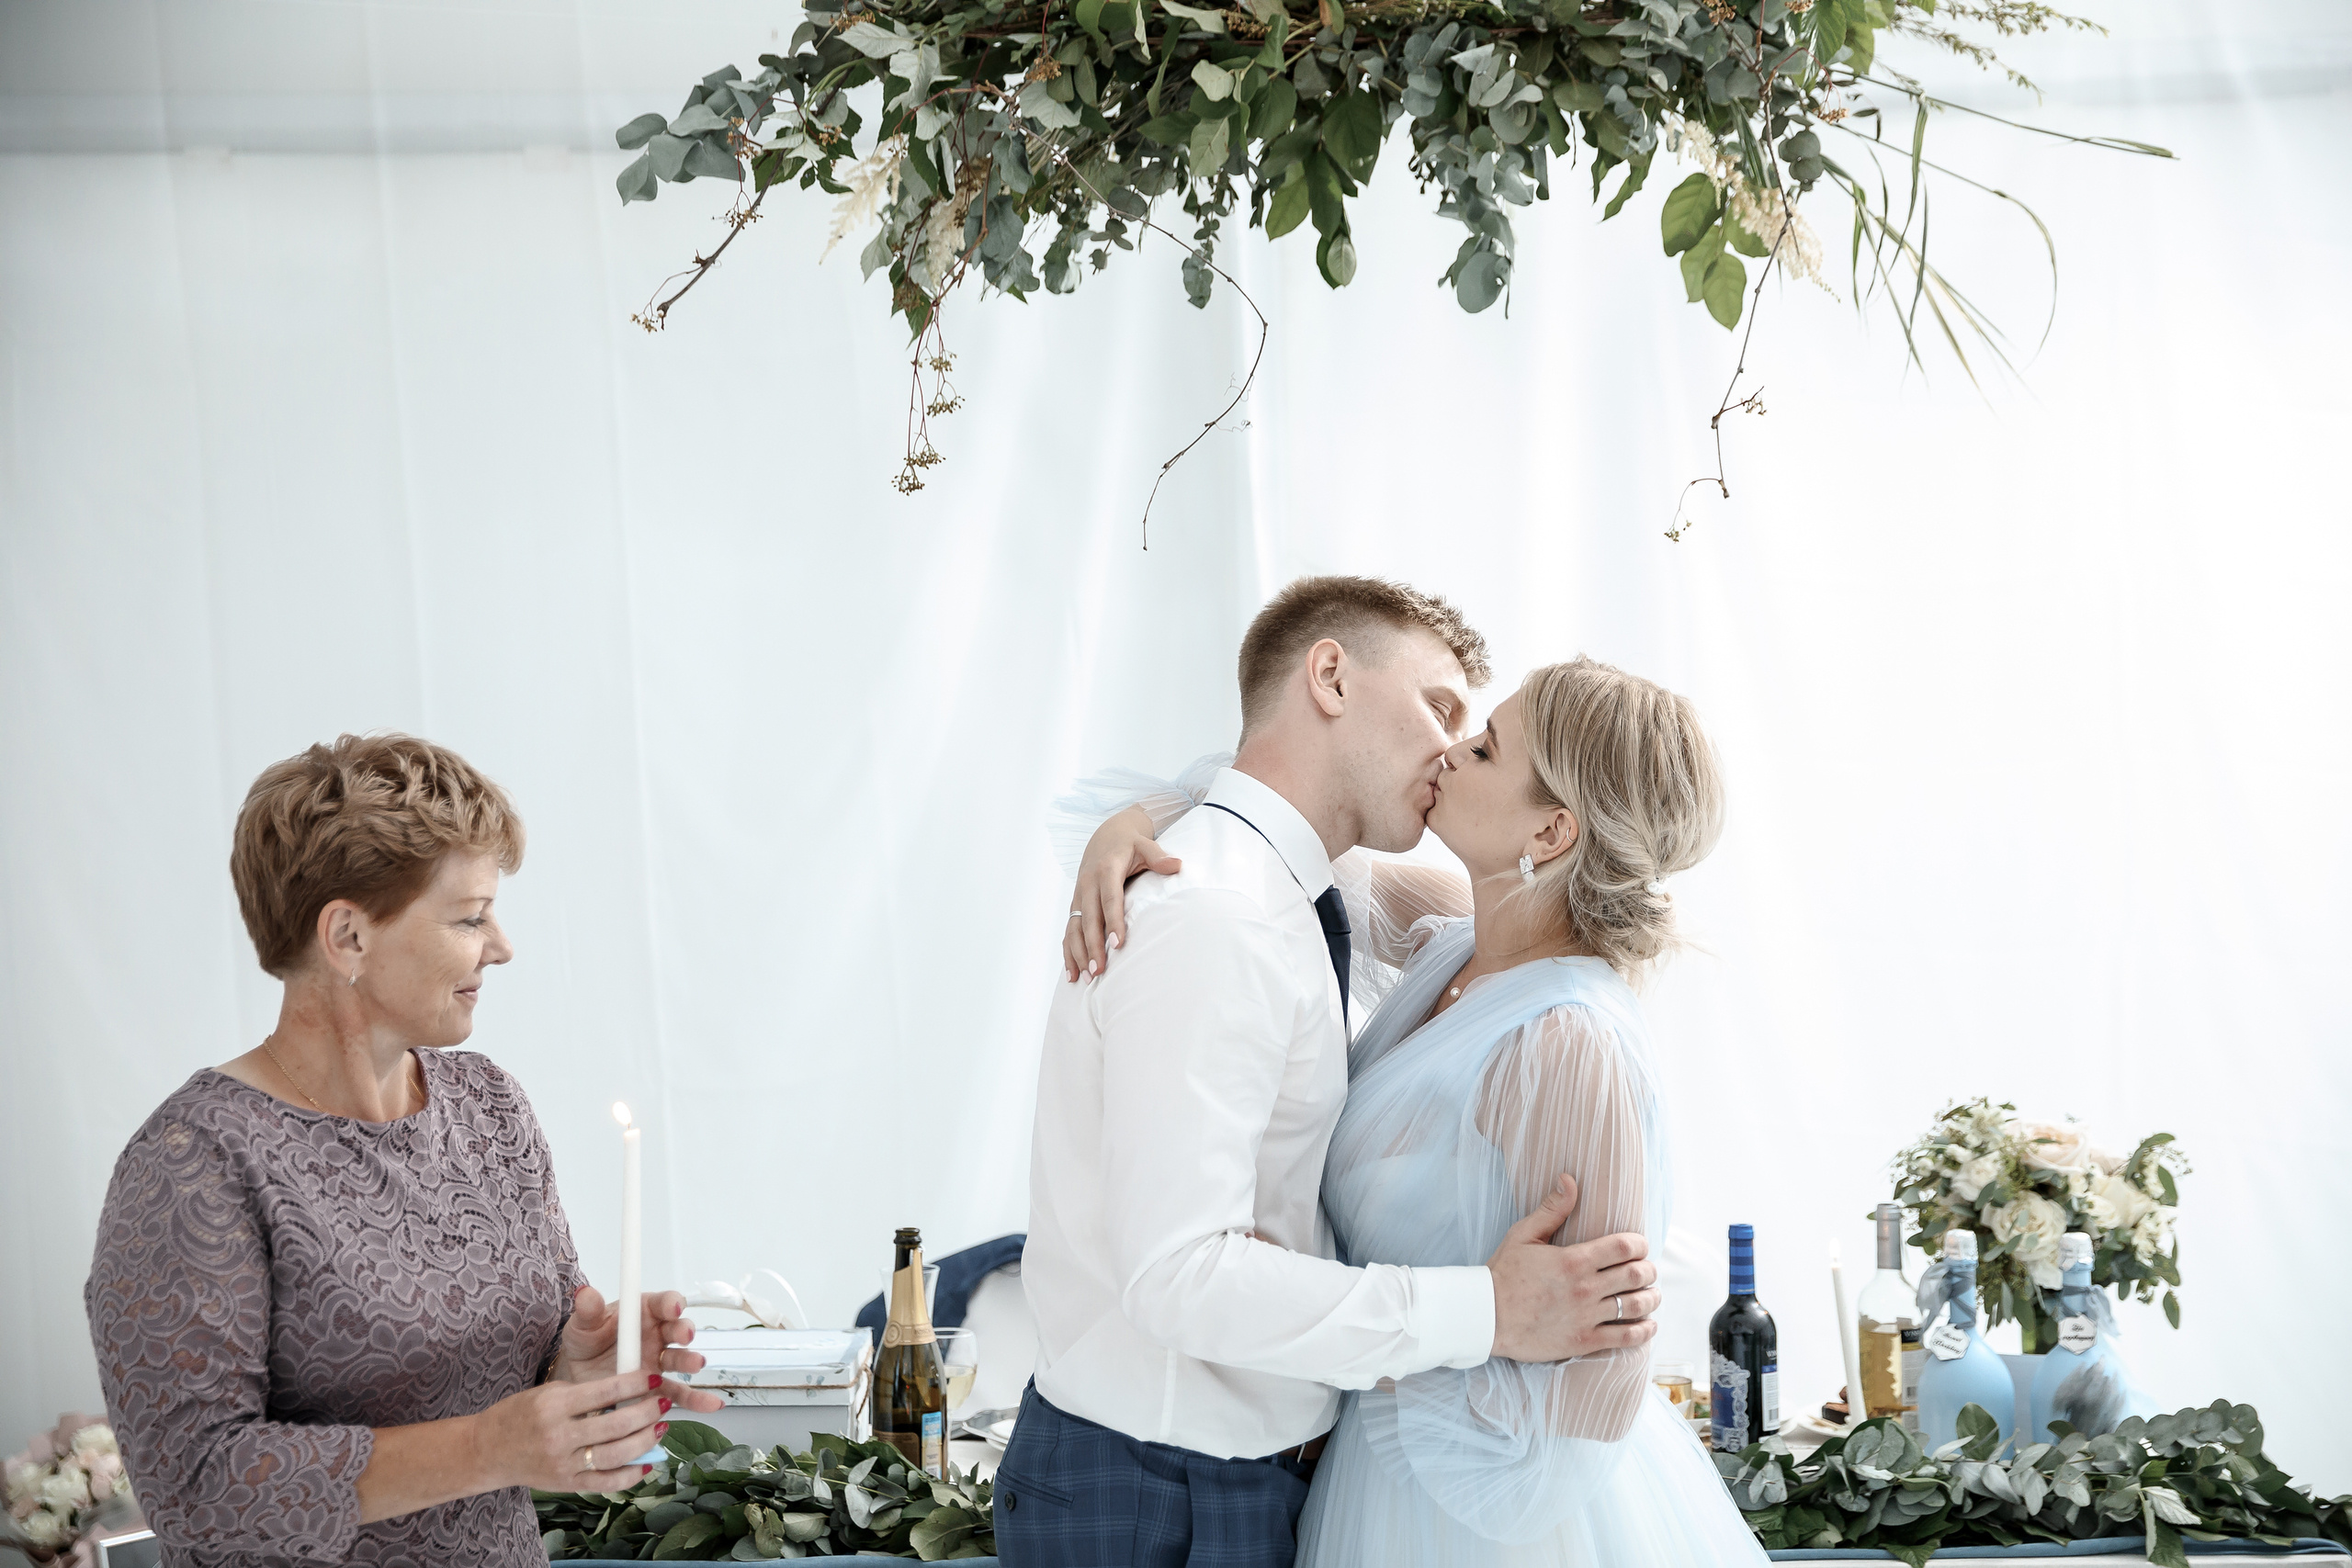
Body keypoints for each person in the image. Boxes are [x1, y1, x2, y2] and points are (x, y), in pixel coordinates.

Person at [998, 579, 1663, 1568]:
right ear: (1330, 676)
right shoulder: (1223, 912)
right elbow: (1179, 1274)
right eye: (1445, 711)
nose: (1449, 749)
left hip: (1343, 1486)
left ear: (1554, 831)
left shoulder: (1319, 898)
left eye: (1479, 742)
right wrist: (1481, 1312)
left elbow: (1601, 1378)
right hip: (1164, 1492)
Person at [83, 733, 723, 1566]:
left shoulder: (489, 1105)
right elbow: (195, 1486)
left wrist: (578, 1366)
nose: (501, 944)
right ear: (347, 937)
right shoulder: (193, 1162)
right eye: (469, 915)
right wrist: (486, 1446)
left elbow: (512, 1391)